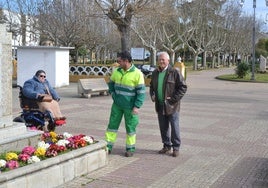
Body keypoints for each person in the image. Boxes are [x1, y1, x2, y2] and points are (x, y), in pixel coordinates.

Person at [105, 51, 146, 157]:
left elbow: (141, 92)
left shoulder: (137, 74)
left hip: (131, 107)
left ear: (126, 61)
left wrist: (137, 106)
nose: (118, 63)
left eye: (120, 61)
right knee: (112, 126)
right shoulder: (117, 71)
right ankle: (108, 147)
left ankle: (130, 149)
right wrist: (113, 95)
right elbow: (111, 83)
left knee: (130, 128)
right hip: (117, 106)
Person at [150, 52, 187, 157]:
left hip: (172, 106)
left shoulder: (174, 72)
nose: (161, 61)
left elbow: (183, 87)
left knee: (174, 127)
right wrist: (152, 95)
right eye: (159, 59)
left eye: (163, 60)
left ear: (168, 61)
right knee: (163, 127)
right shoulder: (155, 73)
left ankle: (176, 147)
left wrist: (173, 99)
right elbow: (152, 87)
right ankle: (166, 146)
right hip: (160, 104)